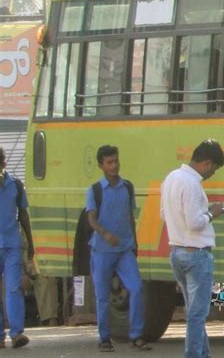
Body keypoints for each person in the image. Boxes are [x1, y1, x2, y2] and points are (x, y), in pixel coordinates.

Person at [161, 139, 224, 358]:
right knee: (197, 314)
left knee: (193, 310)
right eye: (214, 169)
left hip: (176, 251)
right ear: (207, 163)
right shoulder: (191, 184)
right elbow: (195, 223)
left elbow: (165, 214)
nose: (212, 174)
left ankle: (204, 353)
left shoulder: (171, 178)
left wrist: (201, 211)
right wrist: (212, 213)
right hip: (196, 255)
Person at [86, 145, 150, 352]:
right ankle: (105, 338)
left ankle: (136, 336)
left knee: (137, 288)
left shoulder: (127, 187)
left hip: (124, 249)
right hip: (102, 251)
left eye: (116, 161)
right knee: (103, 296)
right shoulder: (95, 190)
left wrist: (135, 243)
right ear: (101, 166)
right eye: (109, 162)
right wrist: (105, 234)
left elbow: (130, 217)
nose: (114, 165)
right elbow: (91, 220)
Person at [0, 147, 34, 348]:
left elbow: (23, 214)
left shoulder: (16, 185)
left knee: (13, 288)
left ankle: (16, 333)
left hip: (12, 244)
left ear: (4, 163)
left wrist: (30, 241)